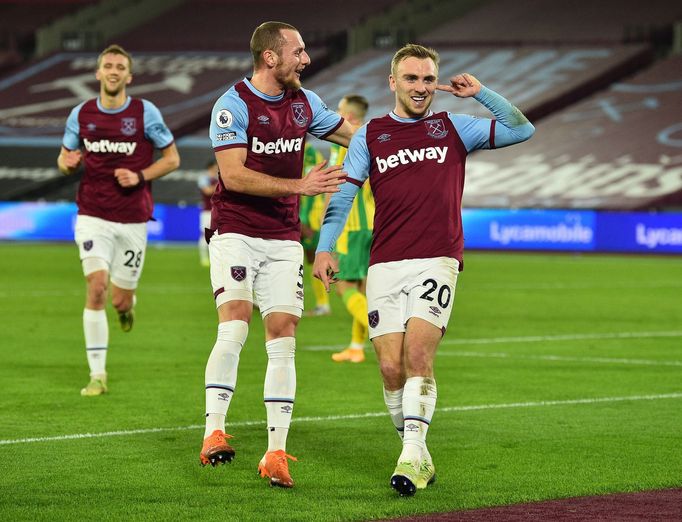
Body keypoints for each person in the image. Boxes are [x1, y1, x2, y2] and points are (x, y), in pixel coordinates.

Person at [314, 44, 534, 496]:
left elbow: (521, 128)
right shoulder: (370, 135)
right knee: (390, 368)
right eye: (411, 79)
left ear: (437, 83)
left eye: (428, 79)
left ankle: (410, 459)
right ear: (393, 83)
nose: (420, 87)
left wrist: (481, 93)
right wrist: (325, 247)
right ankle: (418, 454)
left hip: (437, 257)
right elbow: (343, 197)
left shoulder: (454, 126)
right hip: (385, 263)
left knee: (418, 357)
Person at [200, 21, 354, 489]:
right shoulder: (232, 106)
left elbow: (359, 136)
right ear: (271, 57)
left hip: (284, 236)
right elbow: (235, 175)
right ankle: (213, 432)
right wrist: (301, 186)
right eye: (299, 51)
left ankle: (275, 453)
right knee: (236, 322)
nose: (305, 60)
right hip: (237, 231)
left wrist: (410, 138)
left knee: (284, 332)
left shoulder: (306, 104)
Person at [57, 44, 180, 397]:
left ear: (129, 76)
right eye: (107, 65)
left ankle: (127, 308)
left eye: (119, 67)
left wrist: (140, 175)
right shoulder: (81, 114)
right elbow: (64, 160)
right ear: (98, 73)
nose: (113, 71)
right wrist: (69, 162)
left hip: (133, 219)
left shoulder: (145, 113)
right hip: (92, 214)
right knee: (96, 286)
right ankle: (98, 374)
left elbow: (172, 159)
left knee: (119, 300)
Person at [327, 94, 372, 363]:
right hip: (372, 223)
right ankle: (356, 347)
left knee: (344, 286)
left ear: (350, 118)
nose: (335, 113)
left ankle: (384, 329)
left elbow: (336, 188)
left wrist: (327, 228)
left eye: (339, 111)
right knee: (363, 288)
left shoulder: (346, 143)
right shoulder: (371, 138)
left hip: (351, 225)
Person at [299, 142, 331, 316]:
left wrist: (305, 220)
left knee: (312, 259)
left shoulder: (308, 150)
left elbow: (313, 188)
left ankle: (323, 304)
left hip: (311, 217)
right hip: (306, 215)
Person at [198, 159, 219, 267]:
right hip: (207, 211)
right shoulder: (203, 178)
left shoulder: (218, 178)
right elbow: (207, 191)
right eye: (215, 167)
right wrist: (221, 183)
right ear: (210, 167)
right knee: (205, 235)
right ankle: (204, 257)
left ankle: (215, 257)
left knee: (218, 236)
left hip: (218, 210)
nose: (217, 169)